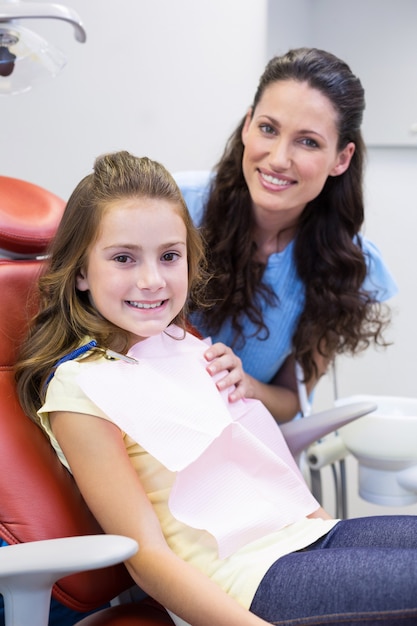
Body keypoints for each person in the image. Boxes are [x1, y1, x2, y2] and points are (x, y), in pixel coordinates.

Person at [15, 150, 417, 626]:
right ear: (81, 271)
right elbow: (147, 558)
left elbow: (254, 466)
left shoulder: (184, 345)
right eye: (123, 258)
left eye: (169, 256)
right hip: (249, 580)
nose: (151, 280)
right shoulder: (80, 389)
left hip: (308, 538)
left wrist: (239, 388)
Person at [175, 47, 398, 423]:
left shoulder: (347, 263)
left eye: (308, 141)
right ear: (247, 126)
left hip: (237, 438)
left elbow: (292, 400)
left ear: (341, 158)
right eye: (268, 129)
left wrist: (244, 384)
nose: (278, 158)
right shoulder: (176, 206)